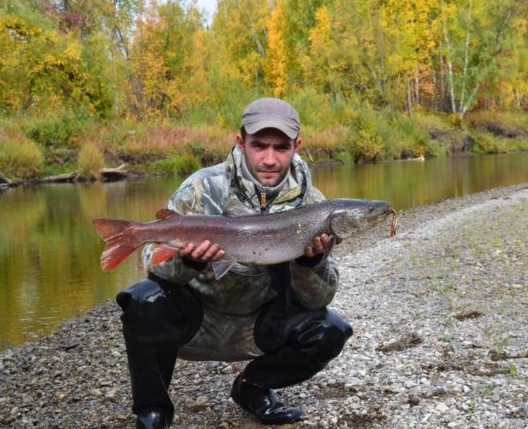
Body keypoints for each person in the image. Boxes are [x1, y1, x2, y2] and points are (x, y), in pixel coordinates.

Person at [116, 97, 353, 429]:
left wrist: (310, 263)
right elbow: (152, 266)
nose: (269, 159)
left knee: (331, 330)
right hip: (196, 323)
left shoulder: (314, 206)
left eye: (281, 148)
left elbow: (319, 299)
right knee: (142, 301)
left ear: (296, 146)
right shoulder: (200, 189)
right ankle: (152, 410)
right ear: (240, 142)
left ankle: (253, 388)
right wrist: (188, 263)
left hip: (261, 325)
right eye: (259, 146)